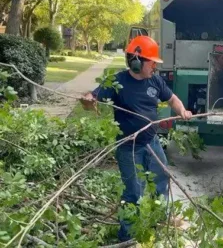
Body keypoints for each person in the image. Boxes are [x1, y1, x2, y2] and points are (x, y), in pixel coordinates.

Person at [80, 35, 192, 242]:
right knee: (133, 192)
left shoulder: (155, 80)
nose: (155, 68)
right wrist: (88, 100)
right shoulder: (117, 82)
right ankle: (128, 238)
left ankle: (160, 219)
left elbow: (172, 98)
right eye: (152, 63)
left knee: (161, 178)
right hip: (129, 147)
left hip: (151, 142)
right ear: (137, 62)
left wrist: (182, 110)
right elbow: (91, 99)